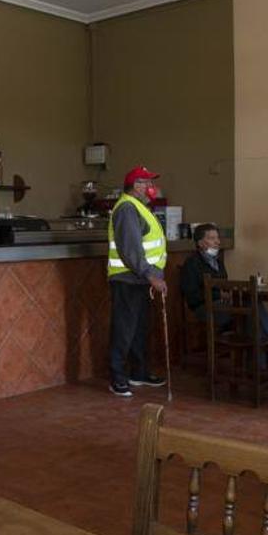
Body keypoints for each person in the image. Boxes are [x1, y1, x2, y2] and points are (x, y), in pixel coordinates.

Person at [107, 166, 168, 397]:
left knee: (140, 329)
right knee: (124, 329)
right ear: (137, 186)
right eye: (148, 183)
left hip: (140, 280)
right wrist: (151, 275)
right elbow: (130, 250)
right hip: (127, 279)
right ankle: (118, 377)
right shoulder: (126, 208)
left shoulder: (140, 208)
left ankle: (139, 372)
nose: (152, 188)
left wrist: (154, 276)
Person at [180, 223, 268, 341]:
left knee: (253, 302)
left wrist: (229, 294)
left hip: (223, 304)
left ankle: (259, 349)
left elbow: (224, 285)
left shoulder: (218, 262)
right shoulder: (192, 264)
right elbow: (193, 296)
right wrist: (219, 295)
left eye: (217, 238)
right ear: (200, 243)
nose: (217, 242)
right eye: (212, 238)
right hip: (204, 308)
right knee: (249, 309)